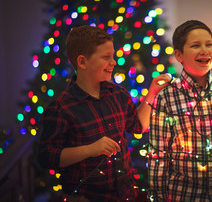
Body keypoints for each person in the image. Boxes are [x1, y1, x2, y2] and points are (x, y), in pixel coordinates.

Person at [37, 25, 170, 202]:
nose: (113, 62)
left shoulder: (119, 94)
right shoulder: (61, 107)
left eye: (112, 56)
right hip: (86, 198)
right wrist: (90, 149)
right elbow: (47, 157)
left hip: (125, 195)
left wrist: (151, 94)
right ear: (82, 62)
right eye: (106, 57)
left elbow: (138, 126)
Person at [147, 20, 212, 201]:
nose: (204, 50)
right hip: (183, 193)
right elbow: (159, 155)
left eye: (209, 44)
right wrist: (158, 196)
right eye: (196, 45)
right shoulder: (166, 97)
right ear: (179, 55)